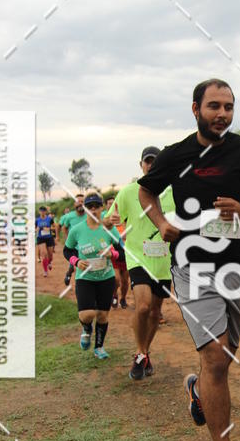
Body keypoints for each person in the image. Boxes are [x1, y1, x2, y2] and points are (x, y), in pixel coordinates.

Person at [138, 78, 240, 441]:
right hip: (190, 267)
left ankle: (198, 390)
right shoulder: (177, 154)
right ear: (196, 107)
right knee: (217, 359)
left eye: (229, 107)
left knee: (223, 359)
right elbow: (147, 191)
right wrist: (162, 222)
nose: (222, 113)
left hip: (235, 268)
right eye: (214, 105)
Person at [105, 148, 174, 379]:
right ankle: (140, 352)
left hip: (164, 260)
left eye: (156, 162)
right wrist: (110, 220)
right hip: (136, 256)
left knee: (155, 312)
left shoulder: (172, 192)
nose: (152, 166)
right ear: (141, 165)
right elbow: (108, 221)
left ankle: (144, 352)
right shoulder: (128, 192)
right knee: (142, 307)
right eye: (148, 162)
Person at [62, 192, 116, 360]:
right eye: (89, 206)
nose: (93, 209)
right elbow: (67, 250)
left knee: (102, 315)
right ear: (85, 209)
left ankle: (99, 347)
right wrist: (76, 261)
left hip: (106, 278)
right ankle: (86, 329)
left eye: (96, 206)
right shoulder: (77, 230)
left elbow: (121, 251)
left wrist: (111, 253)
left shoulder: (109, 229)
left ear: (102, 208)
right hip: (84, 278)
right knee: (87, 315)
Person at [61, 195, 86, 285]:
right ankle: (68, 273)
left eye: (82, 202)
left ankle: (81, 284)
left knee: (82, 266)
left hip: (87, 246)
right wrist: (68, 238)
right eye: (78, 201)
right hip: (74, 247)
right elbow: (64, 227)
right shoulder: (69, 216)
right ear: (74, 204)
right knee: (72, 266)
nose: (80, 204)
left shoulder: (89, 215)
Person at [35, 206, 56, 277]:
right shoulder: (37, 220)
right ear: (39, 212)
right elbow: (34, 229)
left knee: (50, 255)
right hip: (40, 238)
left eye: (44, 211)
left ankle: (49, 262)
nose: (42, 212)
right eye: (41, 211)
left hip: (49, 238)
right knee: (44, 254)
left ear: (46, 212)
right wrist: (37, 229)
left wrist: (49, 228)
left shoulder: (49, 219)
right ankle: (45, 271)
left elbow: (54, 227)